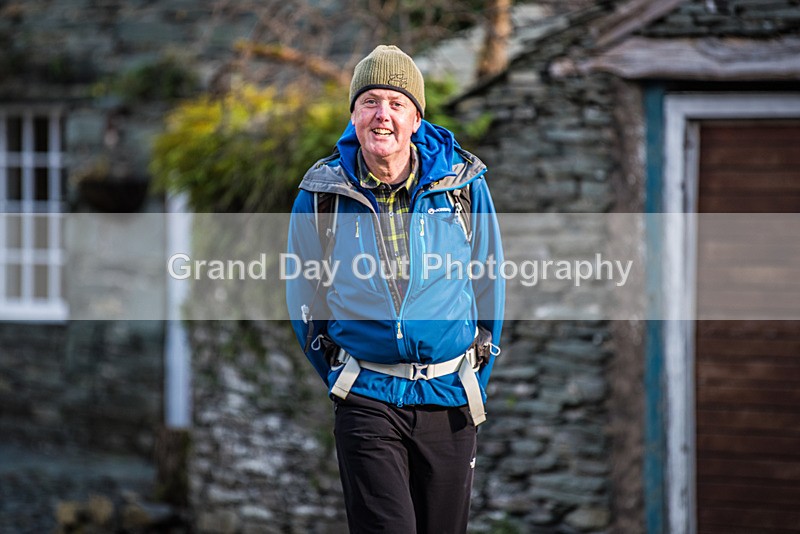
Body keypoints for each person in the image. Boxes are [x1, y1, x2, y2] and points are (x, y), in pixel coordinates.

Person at [286, 44, 505, 534]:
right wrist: (344, 374)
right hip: (367, 396)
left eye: (396, 103)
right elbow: (304, 298)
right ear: (353, 115)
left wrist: (473, 368)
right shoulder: (321, 194)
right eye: (369, 102)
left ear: (416, 119)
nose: (382, 115)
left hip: (450, 398)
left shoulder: (462, 185)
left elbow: (490, 280)